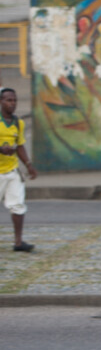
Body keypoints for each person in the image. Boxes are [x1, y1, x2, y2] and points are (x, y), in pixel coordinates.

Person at [0, 87, 37, 251]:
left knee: (18, 205)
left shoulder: (18, 123)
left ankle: (18, 242)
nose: (12, 103)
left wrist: (28, 165)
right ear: (1, 102)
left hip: (12, 170)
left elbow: (20, 145)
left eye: (14, 100)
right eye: (8, 100)